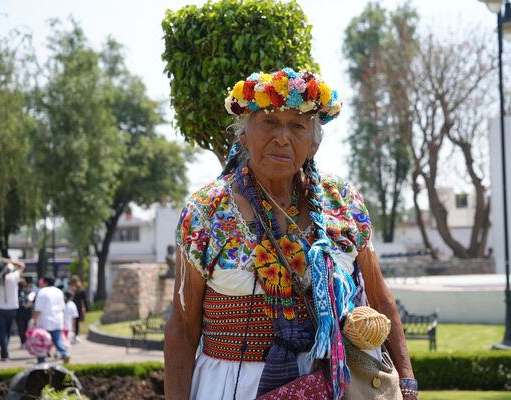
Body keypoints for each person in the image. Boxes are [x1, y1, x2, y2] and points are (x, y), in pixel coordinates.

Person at [164, 68, 418, 400]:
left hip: (339, 381)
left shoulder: (342, 201)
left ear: (313, 144)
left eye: (297, 126)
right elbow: (183, 326)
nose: (282, 138)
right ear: (243, 135)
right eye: (269, 122)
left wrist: (408, 382)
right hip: (234, 385)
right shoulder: (206, 212)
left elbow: (381, 298)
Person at [0, 257, 25, 361]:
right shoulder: (13, 277)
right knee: (7, 331)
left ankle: (4, 353)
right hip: (12, 307)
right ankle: (5, 351)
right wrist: (7, 260)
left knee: (2, 331)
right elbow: (22, 266)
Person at [33, 276, 69, 364]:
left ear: (45, 282)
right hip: (57, 320)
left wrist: (33, 319)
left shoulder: (42, 292)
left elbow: (39, 309)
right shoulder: (59, 291)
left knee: (42, 341)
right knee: (57, 340)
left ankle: (41, 360)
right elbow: (63, 307)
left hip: (44, 321)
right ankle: (64, 353)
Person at [16, 278, 35, 348]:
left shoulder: (28, 292)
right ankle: (24, 342)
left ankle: (24, 342)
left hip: (21, 312)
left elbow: (32, 302)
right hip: (24, 312)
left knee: (22, 328)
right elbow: (32, 302)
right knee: (24, 328)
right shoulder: (28, 291)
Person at [67, 275, 87, 342]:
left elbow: (83, 300)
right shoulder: (70, 289)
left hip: (78, 306)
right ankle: (71, 333)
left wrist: (84, 308)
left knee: (77, 320)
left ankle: (76, 334)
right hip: (71, 306)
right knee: (71, 320)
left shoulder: (80, 289)